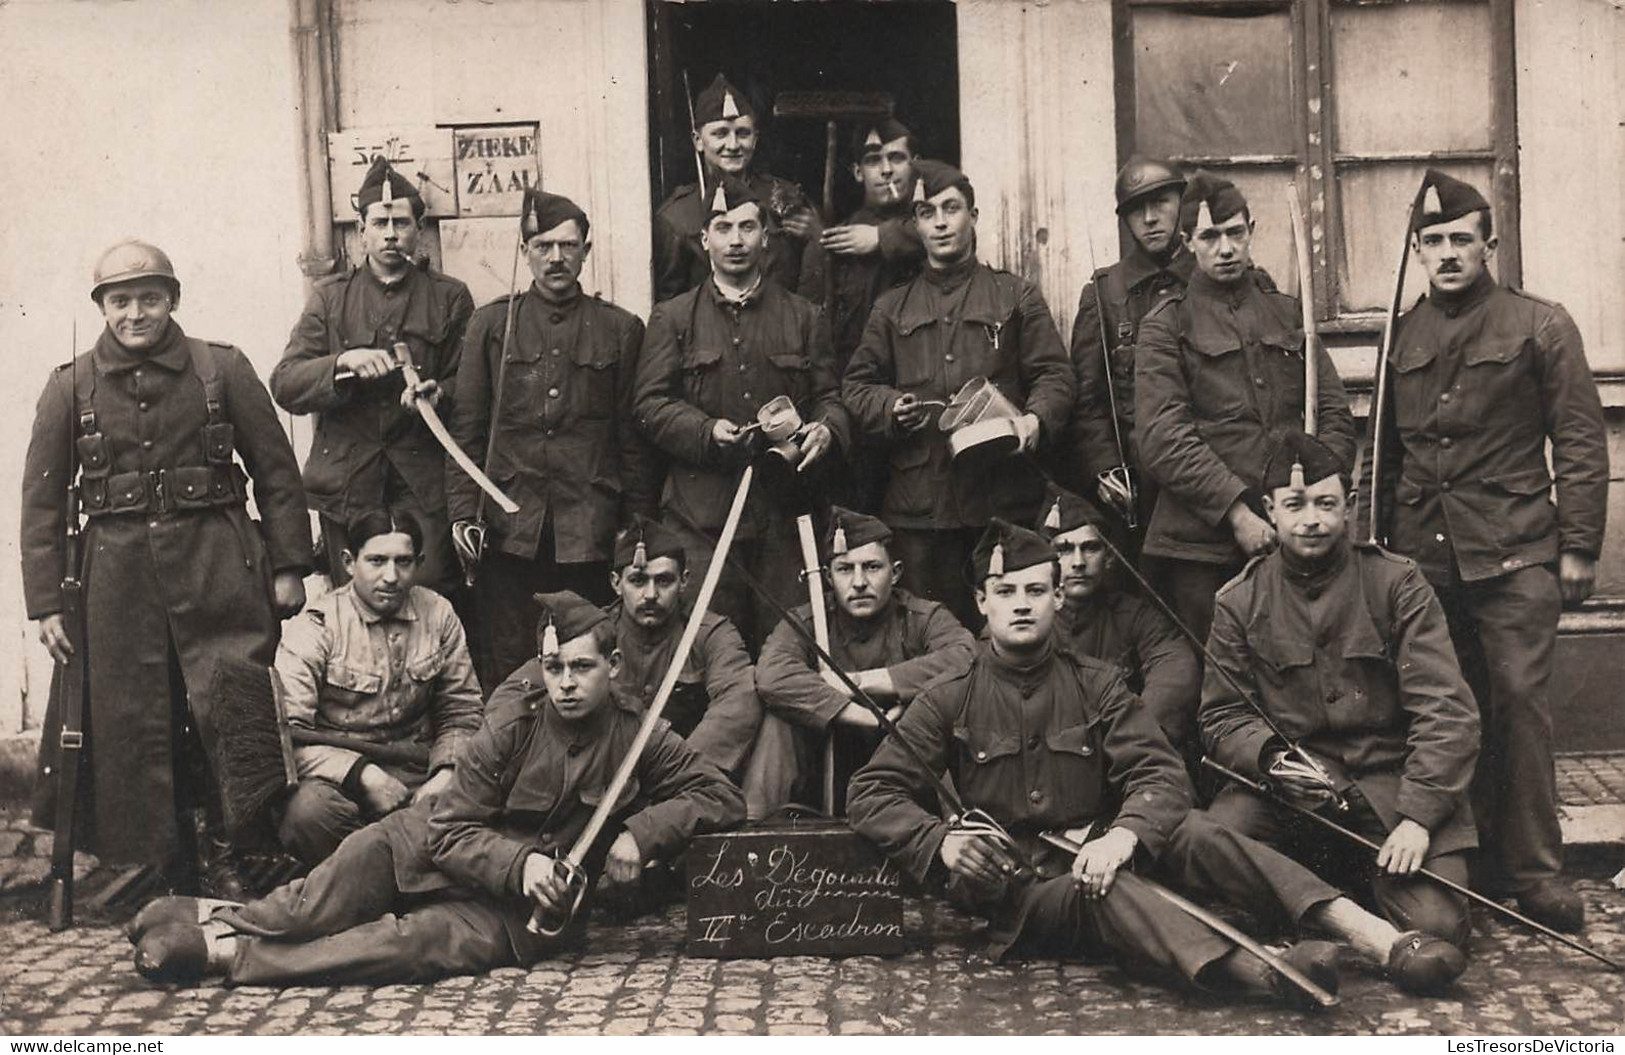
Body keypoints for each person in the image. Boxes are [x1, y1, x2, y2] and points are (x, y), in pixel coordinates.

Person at [847, 519, 1469, 999]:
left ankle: (1376, 937)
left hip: (1102, 849)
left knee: (1196, 829)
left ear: (1059, 598)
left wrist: (1124, 833)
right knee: (1105, 891)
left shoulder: (1096, 683)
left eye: (1036, 590)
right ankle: (1269, 972)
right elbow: (871, 792)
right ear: (980, 604)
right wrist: (942, 844)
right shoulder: (949, 694)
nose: (1020, 604)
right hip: (1025, 895)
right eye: (1004, 591)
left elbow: (1159, 772)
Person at [127, 591, 745, 986]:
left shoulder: (642, 735)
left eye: (581, 668)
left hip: (512, 912)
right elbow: (449, 829)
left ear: (612, 669)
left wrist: (641, 833)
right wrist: (520, 860)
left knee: (407, 946)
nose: (564, 684)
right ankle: (209, 916)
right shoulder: (514, 717)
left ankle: (220, 953)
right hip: (424, 847)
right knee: (320, 902)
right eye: (553, 667)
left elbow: (722, 796)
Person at [24, 239, 311, 894]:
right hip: (116, 577)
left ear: (172, 299)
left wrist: (289, 565)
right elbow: (40, 502)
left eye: (148, 298)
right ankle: (148, 863)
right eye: (119, 300)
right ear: (101, 306)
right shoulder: (69, 387)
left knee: (230, 702)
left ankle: (235, 851)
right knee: (131, 713)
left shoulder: (223, 369)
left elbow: (276, 472)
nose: (135, 313)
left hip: (219, 562)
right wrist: (45, 605)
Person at [1369, 170, 1609, 932]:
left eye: (1459, 240)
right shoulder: (1398, 334)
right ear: (1416, 249)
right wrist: (1375, 548)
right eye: (1432, 241)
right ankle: (1463, 867)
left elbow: (1577, 440)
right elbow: (1382, 455)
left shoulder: (1538, 324)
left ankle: (1536, 871)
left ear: (1488, 244)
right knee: (1443, 710)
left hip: (1512, 555)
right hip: (1423, 563)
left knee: (1517, 705)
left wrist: (1577, 546)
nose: (1445, 253)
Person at [1203, 429, 1479, 972]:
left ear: (1349, 507)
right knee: (1218, 842)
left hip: (1391, 791)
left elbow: (1447, 710)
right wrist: (1273, 759)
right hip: (1294, 798)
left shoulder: (1397, 584)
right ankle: (1335, 903)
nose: (1312, 519)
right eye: (1295, 505)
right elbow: (1221, 714)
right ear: (1270, 511)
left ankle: (1321, 899)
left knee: (1441, 928)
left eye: (1327, 504)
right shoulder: (1239, 601)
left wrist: (1419, 817)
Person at [842, 160, 1074, 628]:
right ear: (916, 224)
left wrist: (1035, 420)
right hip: (920, 510)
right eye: (928, 213)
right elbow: (856, 385)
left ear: (974, 215)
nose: (942, 222)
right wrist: (890, 407)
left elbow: (1055, 375)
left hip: (1001, 499)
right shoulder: (892, 307)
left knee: (1007, 631)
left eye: (952, 209)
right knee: (932, 635)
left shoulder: (1015, 296)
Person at [1134, 171, 1355, 645]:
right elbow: (1163, 436)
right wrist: (1237, 513)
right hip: (1205, 546)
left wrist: (1311, 495)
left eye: (1236, 232)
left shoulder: (1291, 314)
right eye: (1210, 236)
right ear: (1188, 241)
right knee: (1223, 680)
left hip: (1297, 534)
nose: (1226, 248)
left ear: (1251, 230)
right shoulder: (1165, 325)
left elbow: (1335, 414)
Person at [447, 188, 651, 689]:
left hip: (591, 530)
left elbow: (632, 437)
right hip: (509, 531)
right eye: (542, 246)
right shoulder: (492, 325)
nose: (556, 258)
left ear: (586, 249)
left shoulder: (620, 329)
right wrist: (461, 515)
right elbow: (466, 431)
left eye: (567, 245)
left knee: (588, 660)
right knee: (513, 666)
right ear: (524, 252)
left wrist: (637, 526)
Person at [634, 176, 848, 649]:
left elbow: (831, 398)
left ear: (766, 238)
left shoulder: (803, 316)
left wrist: (826, 431)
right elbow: (648, 405)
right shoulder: (672, 318)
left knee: (788, 650)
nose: (736, 240)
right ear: (703, 239)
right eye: (723, 227)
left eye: (748, 227)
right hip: (701, 522)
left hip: (784, 519)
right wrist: (705, 431)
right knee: (709, 651)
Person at [271, 158, 475, 595]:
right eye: (379, 222)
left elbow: (472, 386)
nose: (390, 234)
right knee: (353, 606)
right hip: (348, 487)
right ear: (361, 230)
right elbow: (286, 383)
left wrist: (437, 393)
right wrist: (342, 363)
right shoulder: (330, 300)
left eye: (401, 222)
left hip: (424, 486)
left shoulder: (450, 297)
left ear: (418, 229)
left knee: (431, 595)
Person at [273, 508, 483, 866]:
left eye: (403, 562)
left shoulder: (439, 614)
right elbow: (287, 738)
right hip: (341, 780)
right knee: (307, 814)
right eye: (376, 561)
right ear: (349, 562)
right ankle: (390, 875)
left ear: (418, 563)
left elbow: (462, 710)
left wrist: (445, 771)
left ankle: (387, 876)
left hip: (420, 771)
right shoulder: (316, 628)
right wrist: (361, 774)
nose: (391, 576)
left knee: (472, 804)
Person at [753, 505, 975, 814]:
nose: (859, 582)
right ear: (828, 577)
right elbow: (773, 676)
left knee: (938, 714)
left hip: (907, 765)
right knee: (777, 722)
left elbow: (963, 656)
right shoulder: (808, 620)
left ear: (895, 572)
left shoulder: (922, 617)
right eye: (845, 569)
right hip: (823, 764)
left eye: (872, 567)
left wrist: (858, 682)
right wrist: (867, 716)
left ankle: (958, 829)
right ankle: (756, 836)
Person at [1065, 157, 1192, 537]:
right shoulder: (1105, 294)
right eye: (1137, 209)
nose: (1150, 218)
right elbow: (1087, 399)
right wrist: (1105, 469)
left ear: (1182, 204)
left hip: (1213, 476)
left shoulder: (1210, 281)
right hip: (1141, 487)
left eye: (1161, 202)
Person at [805, 118, 925, 512]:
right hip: (862, 416)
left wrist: (882, 238)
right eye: (874, 160)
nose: (886, 169)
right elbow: (816, 340)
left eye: (897, 158)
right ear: (857, 171)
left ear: (916, 165)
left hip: (924, 410)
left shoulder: (935, 227)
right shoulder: (835, 241)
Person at [1034, 483, 1199, 756]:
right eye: (1064, 549)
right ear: (1046, 560)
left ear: (1109, 557)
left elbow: (1176, 672)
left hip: (1124, 754)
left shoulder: (1135, 616)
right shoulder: (1026, 620)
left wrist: (1131, 740)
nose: (1078, 562)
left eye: (1090, 548)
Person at [607, 515, 761, 781]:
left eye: (664, 580)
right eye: (638, 581)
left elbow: (738, 700)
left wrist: (679, 772)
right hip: (609, 778)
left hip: (690, 778)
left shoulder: (711, 633)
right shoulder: (593, 634)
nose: (651, 594)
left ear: (685, 581)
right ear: (616, 583)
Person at [652, 73, 819, 303]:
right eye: (720, 133)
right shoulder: (676, 217)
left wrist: (817, 235)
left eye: (743, 133)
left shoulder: (784, 197)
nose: (733, 145)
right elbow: (670, 307)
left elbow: (811, 285)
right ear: (698, 141)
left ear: (756, 138)